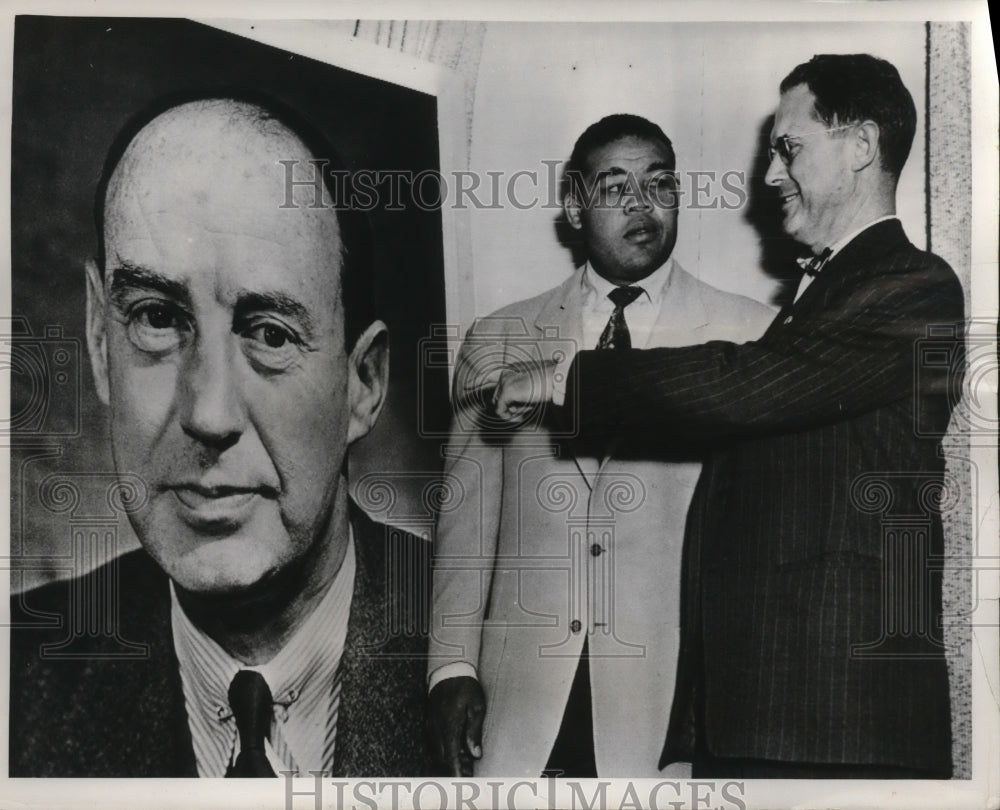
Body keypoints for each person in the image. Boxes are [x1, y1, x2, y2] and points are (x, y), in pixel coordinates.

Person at [493, 55, 965, 779]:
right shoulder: (826, 297)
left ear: (861, 147)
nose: (771, 175)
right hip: (775, 715)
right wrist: (695, 729)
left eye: (789, 148)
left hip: (839, 717)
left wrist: (564, 375)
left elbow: (746, 382)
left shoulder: (914, 286)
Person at [9, 93, 431, 778]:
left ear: (365, 383)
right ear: (96, 340)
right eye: (154, 317)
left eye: (271, 334)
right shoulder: (17, 682)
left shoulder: (517, 664)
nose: (208, 414)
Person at [427, 114, 775, 777]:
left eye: (660, 183)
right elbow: (465, 526)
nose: (643, 205)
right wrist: (451, 668)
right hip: (521, 705)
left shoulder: (749, 335)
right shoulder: (499, 337)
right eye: (616, 187)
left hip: (669, 707)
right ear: (574, 205)